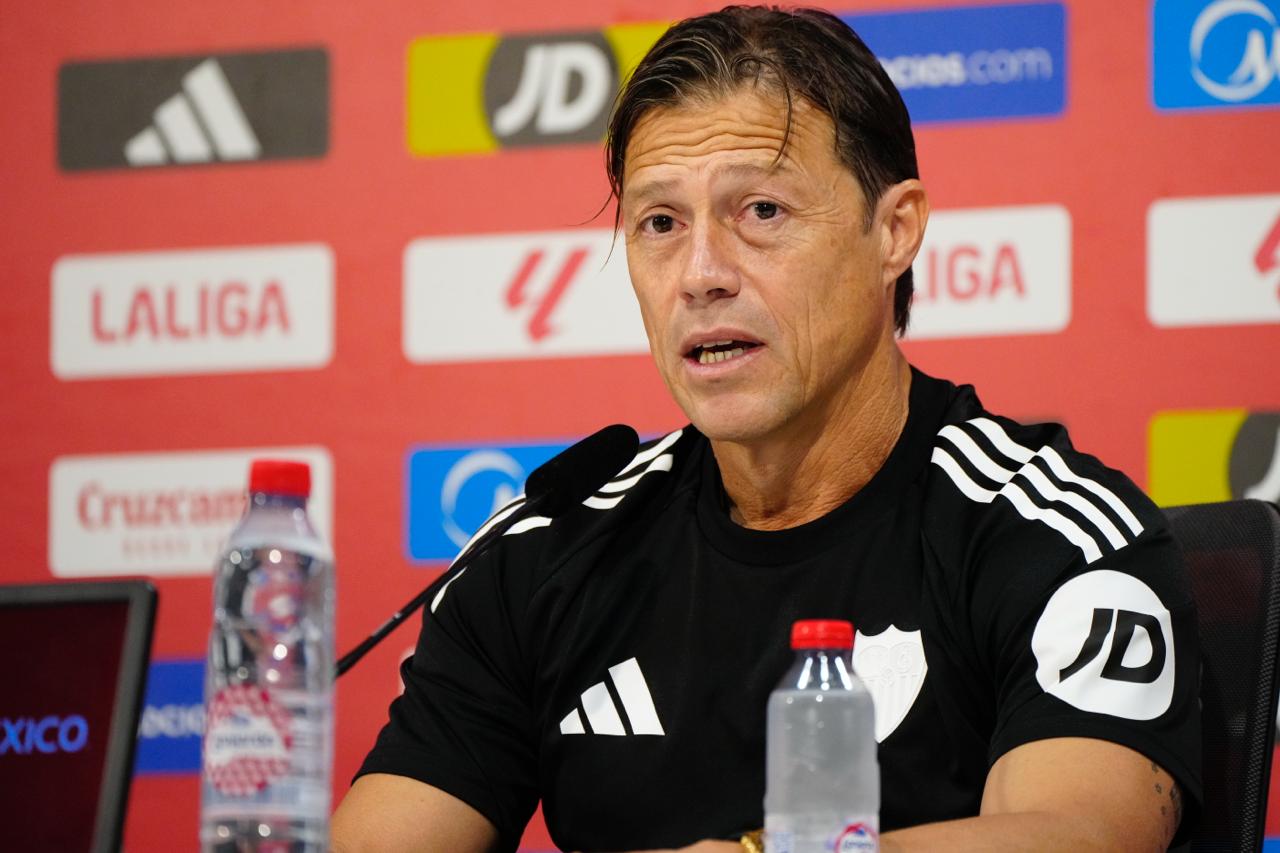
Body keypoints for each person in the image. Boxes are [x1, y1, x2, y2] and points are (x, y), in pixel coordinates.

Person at [332, 6, 1201, 852]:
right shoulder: (541, 550)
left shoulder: (1050, 534)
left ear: (894, 230)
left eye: (762, 212)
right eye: (660, 224)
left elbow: (1084, 833)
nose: (700, 274)